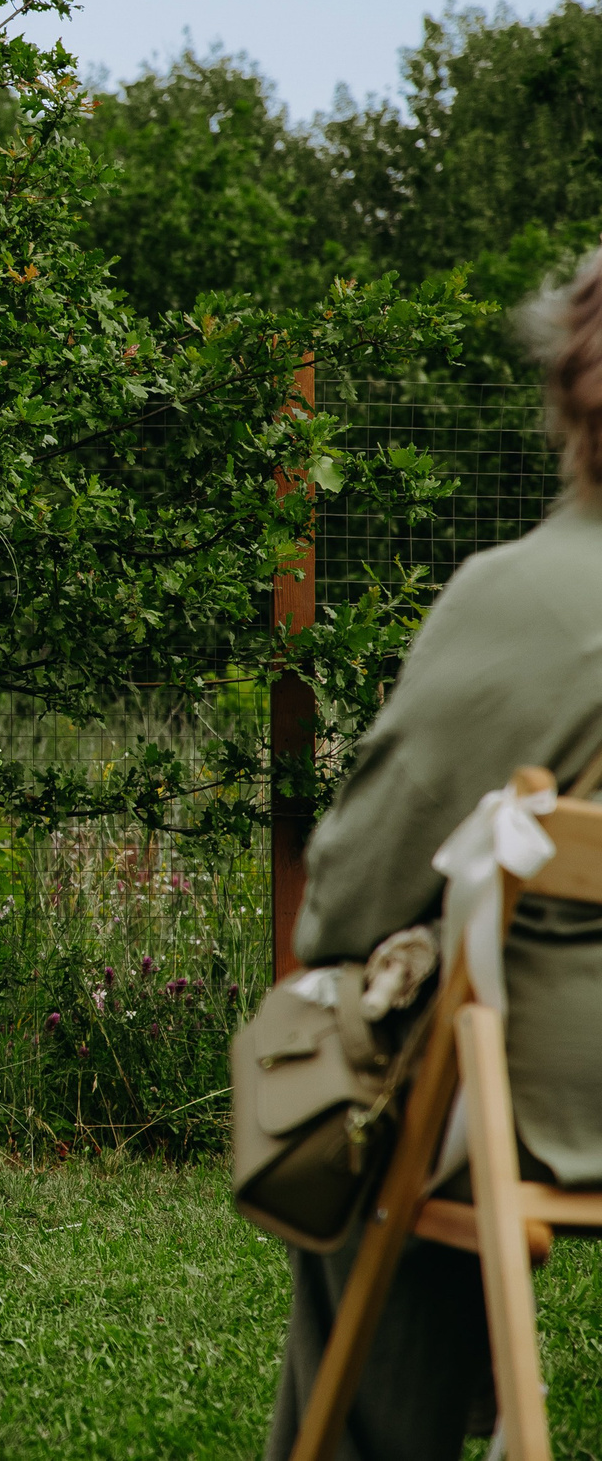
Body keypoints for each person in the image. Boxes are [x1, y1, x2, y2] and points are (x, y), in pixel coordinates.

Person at [266, 246, 602, 1460]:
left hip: (558, 1093)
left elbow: (350, 897)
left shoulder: (527, 595)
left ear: (569, 384)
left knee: (377, 1095)